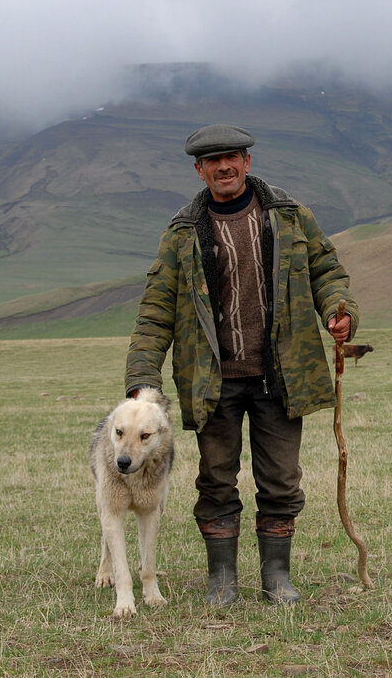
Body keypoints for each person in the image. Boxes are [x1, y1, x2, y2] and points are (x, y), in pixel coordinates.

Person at [125, 123, 357, 607]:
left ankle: (277, 577)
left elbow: (327, 271)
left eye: (232, 157)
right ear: (199, 169)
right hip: (213, 381)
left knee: (280, 480)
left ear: (247, 162)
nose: (224, 167)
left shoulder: (290, 217)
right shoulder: (182, 234)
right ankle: (222, 580)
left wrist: (341, 311)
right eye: (213, 161)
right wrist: (142, 382)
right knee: (215, 480)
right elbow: (155, 310)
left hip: (281, 375)